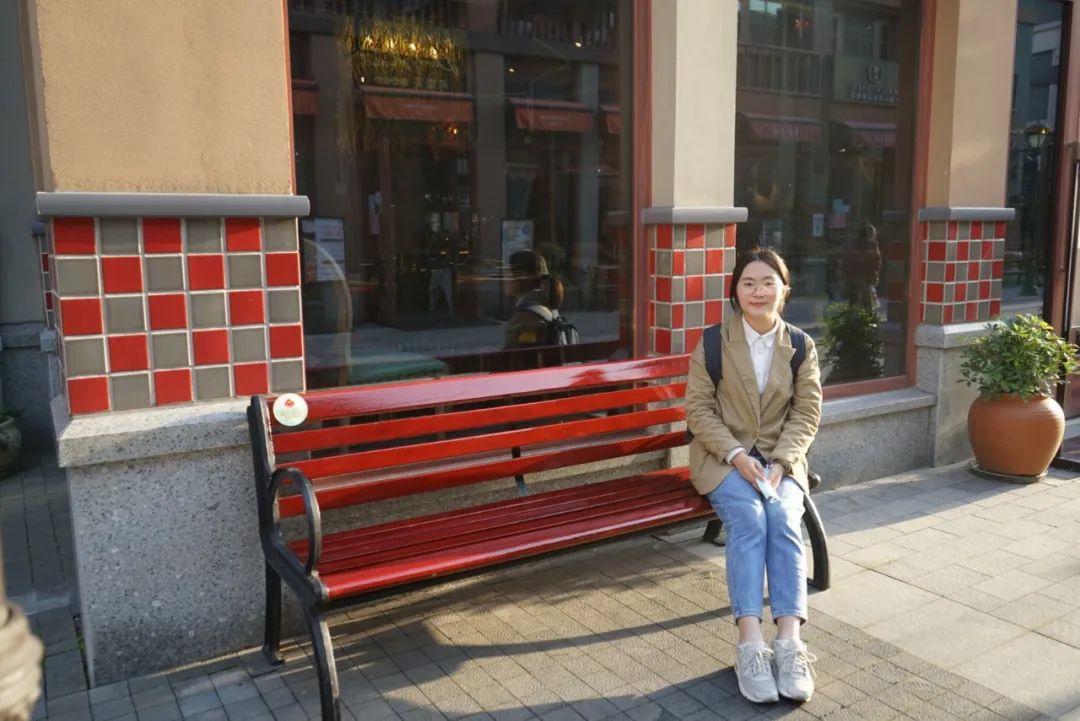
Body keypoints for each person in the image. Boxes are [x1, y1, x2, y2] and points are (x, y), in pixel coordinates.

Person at [685, 247, 823, 704]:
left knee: (783, 518)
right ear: (735, 292)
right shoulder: (712, 343)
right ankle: (749, 643)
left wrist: (781, 462)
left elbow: (806, 413)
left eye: (768, 282)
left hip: (781, 460)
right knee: (749, 518)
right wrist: (736, 455)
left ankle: (789, 641)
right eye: (748, 283)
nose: (758, 291)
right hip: (723, 458)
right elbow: (698, 410)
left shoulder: (801, 346)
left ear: (784, 290)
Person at [503, 250, 563, 349]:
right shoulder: (549, 309)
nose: (504, 279)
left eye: (508, 273)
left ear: (522, 276)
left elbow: (510, 356)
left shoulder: (524, 318)